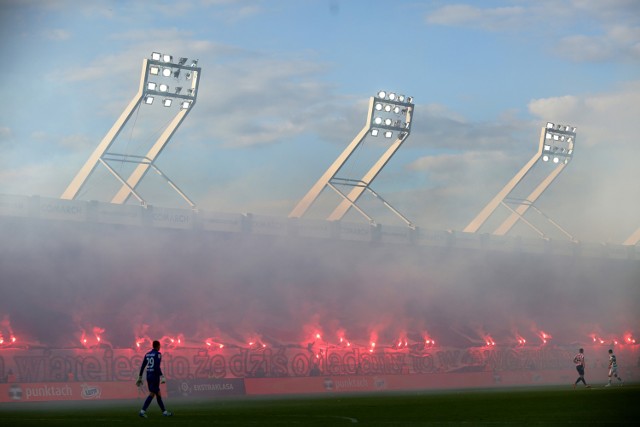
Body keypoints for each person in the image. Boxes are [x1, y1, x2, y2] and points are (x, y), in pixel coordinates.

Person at [136, 340, 173, 418]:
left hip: (148, 375)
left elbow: (143, 366)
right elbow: (156, 367)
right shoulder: (158, 354)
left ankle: (164, 412)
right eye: (160, 346)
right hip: (154, 376)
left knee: (157, 393)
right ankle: (142, 411)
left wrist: (140, 377)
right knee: (152, 394)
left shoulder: (147, 354)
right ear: (158, 346)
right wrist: (162, 376)